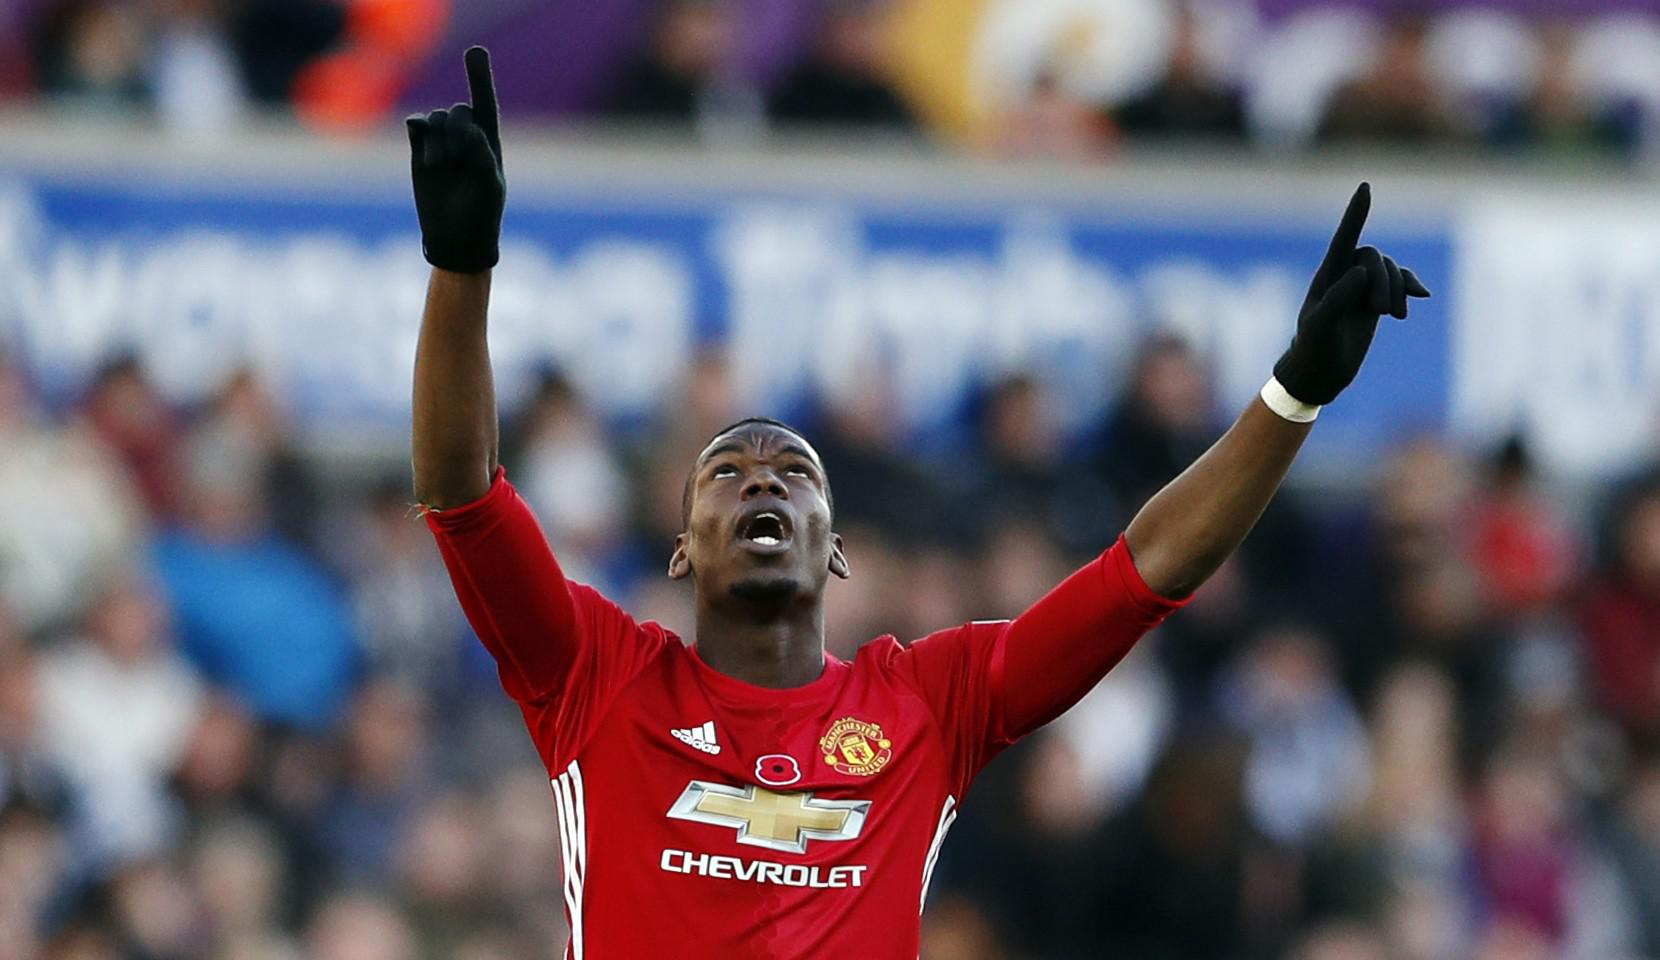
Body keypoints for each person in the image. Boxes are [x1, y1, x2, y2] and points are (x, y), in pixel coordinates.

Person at [403, 47, 1429, 959]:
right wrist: (461, 267)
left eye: (795, 473)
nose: (762, 477)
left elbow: (1140, 577)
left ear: (837, 551)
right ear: (680, 551)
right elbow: (463, 494)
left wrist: (1292, 395)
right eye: (726, 472)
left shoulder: (925, 706)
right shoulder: (597, 674)